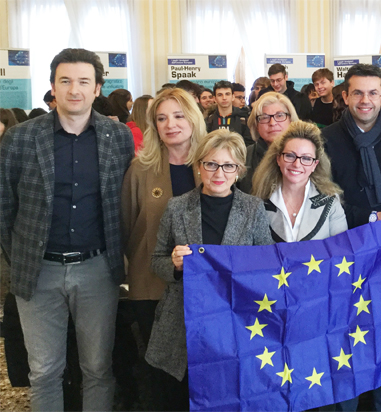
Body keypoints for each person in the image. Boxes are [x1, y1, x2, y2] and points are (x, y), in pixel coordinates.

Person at [0, 48, 134, 411]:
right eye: (65, 81)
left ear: (97, 89)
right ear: (52, 87)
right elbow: (4, 207)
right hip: (38, 272)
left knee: (97, 368)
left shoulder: (118, 137)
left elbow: (123, 203)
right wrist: (23, 256)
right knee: (44, 371)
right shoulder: (20, 138)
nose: (74, 89)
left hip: (97, 270)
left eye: (83, 81)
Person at [145, 129, 273, 410]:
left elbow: (267, 267)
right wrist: (174, 265)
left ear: (239, 171)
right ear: (199, 165)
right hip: (182, 325)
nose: (219, 173)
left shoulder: (253, 209)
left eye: (228, 166)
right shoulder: (177, 207)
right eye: (211, 164)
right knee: (179, 400)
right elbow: (156, 260)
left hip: (234, 325)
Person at [322, 63, 381, 412]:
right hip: (343, 251)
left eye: (373, 93)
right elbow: (323, 202)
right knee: (345, 337)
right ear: (345, 96)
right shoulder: (325, 140)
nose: (365, 100)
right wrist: (372, 217)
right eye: (357, 92)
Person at [121, 87, 205, 408]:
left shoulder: (213, 164)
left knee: (201, 371)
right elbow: (127, 225)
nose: (170, 124)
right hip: (152, 286)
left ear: (193, 119)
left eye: (179, 116)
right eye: (161, 118)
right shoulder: (140, 169)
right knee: (163, 376)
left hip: (203, 287)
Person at [252, 120, 346, 241]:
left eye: (306, 158)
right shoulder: (258, 203)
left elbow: (341, 249)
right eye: (290, 155)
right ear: (278, 159)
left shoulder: (331, 203)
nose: (297, 164)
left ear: (315, 165)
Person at [239, 92, 300, 195]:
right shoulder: (244, 156)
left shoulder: (306, 154)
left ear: (291, 120)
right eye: (264, 117)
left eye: (279, 115)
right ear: (256, 125)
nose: (272, 123)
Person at [206, 80, 253, 146]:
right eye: (220, 95)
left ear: (233, 97)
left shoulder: (244, 119)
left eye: (227, 94)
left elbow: (249, 144)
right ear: (215, 99)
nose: (224, 98)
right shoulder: (209, 121)